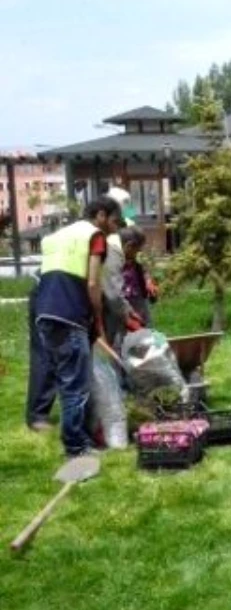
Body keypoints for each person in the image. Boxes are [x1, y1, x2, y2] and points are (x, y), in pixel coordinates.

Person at [32, 196, 124, 457]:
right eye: (114, 221)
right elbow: (93, 284)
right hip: (70, 315)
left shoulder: (59, 235)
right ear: (101, 215)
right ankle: (76, 447)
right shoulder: (95, 237)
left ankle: (75, 437)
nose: (115, 229)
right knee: (76, 386)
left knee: (66, 380)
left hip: (44, 314)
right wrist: (97, 319)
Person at [102, 187, 142, 345]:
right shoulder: (111, 239)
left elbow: (136, 251)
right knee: (114, 327)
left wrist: (145, 276)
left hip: (130, 284)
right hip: (114, 284)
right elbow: (111, 289)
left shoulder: (128, 221)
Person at [25, 274, 56, 432]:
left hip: (53, 291)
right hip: (50, 294)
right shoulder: (104, 250)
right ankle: (37, 416)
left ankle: (38, 414)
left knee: (48, 354)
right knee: (46, 355)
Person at [119, 226, 158, 327]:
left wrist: (148, 281)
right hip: (124, 305)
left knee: (146, 327)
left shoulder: (135, 264)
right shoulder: (115, 264)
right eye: (138, 249)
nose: (139, 251)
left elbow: (143, 271)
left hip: (140, 302)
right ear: (129, 246)